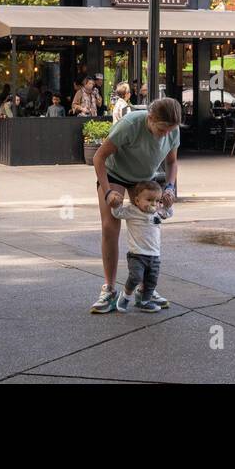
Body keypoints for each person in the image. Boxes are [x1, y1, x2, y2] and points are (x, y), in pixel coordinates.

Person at [90, 98, 181, 314]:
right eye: (161, 129)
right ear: (150, 119)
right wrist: (108, 191)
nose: (166, 134)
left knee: (147, 227)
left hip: (143, 180)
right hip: (115, 174)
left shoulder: (173, 130)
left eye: (171, 129)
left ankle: (145, 290)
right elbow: (98, 157)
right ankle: (109, 290)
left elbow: (171, 162)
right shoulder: (131, 124)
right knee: (110, 228)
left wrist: (169, 187)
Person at [112, 180, 167, 312]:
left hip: (154, 254)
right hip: (137, 254)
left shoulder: (158, 212)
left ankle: (145, 301)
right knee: (135, 276)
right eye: (149, 200)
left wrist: (168, 205)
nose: (153, 203)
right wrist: (115, 204)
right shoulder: (132, 211)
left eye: (157, 200)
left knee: (151, 281)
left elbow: (168, 213)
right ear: (137, 200)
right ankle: (125, 296)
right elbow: (117, 213)